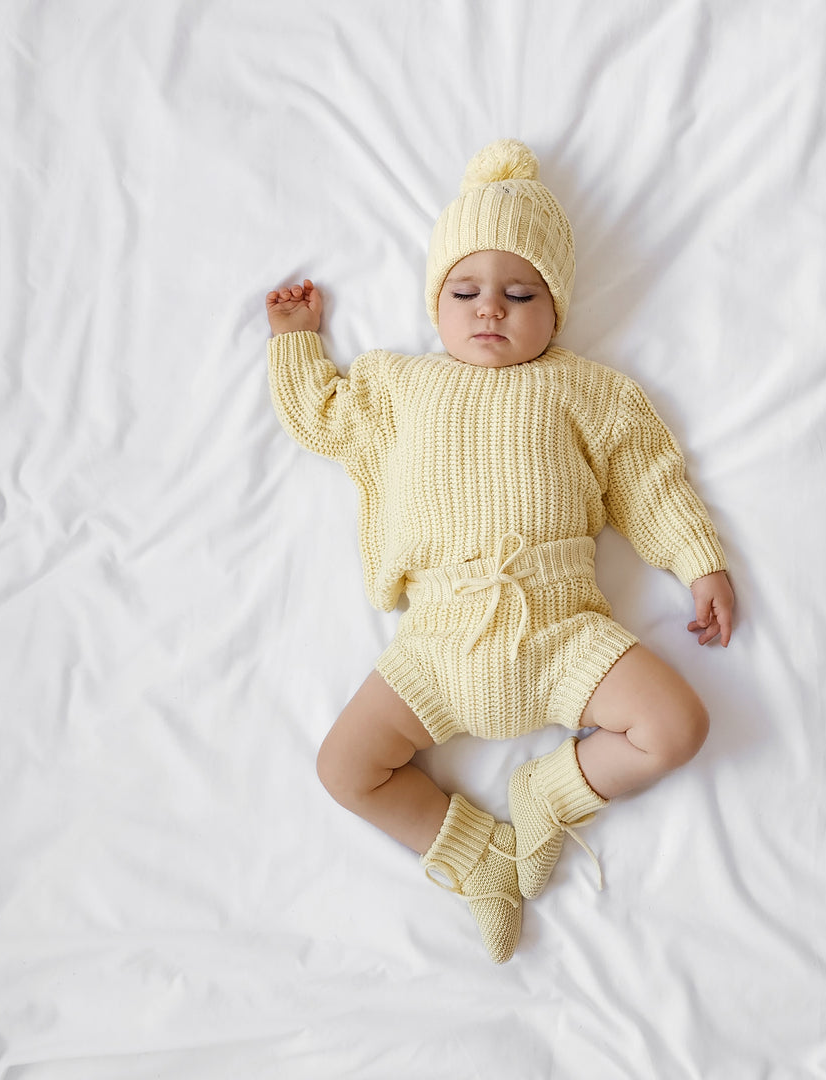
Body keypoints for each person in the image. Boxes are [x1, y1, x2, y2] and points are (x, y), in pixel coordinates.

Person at [265, 139, 735, 963]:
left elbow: (646, 475)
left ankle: (548, 793)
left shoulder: (583, 389)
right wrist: (297, 342)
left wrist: (699, 561)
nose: (491, 309)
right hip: (440, 643)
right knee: (345, 769)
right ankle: (481, 856)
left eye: (520, 293)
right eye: (466, 290)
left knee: (678, 725)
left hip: (560, 630)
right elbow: (324, 417)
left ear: (555, 310)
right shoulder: (402, 387)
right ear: (435, 302)